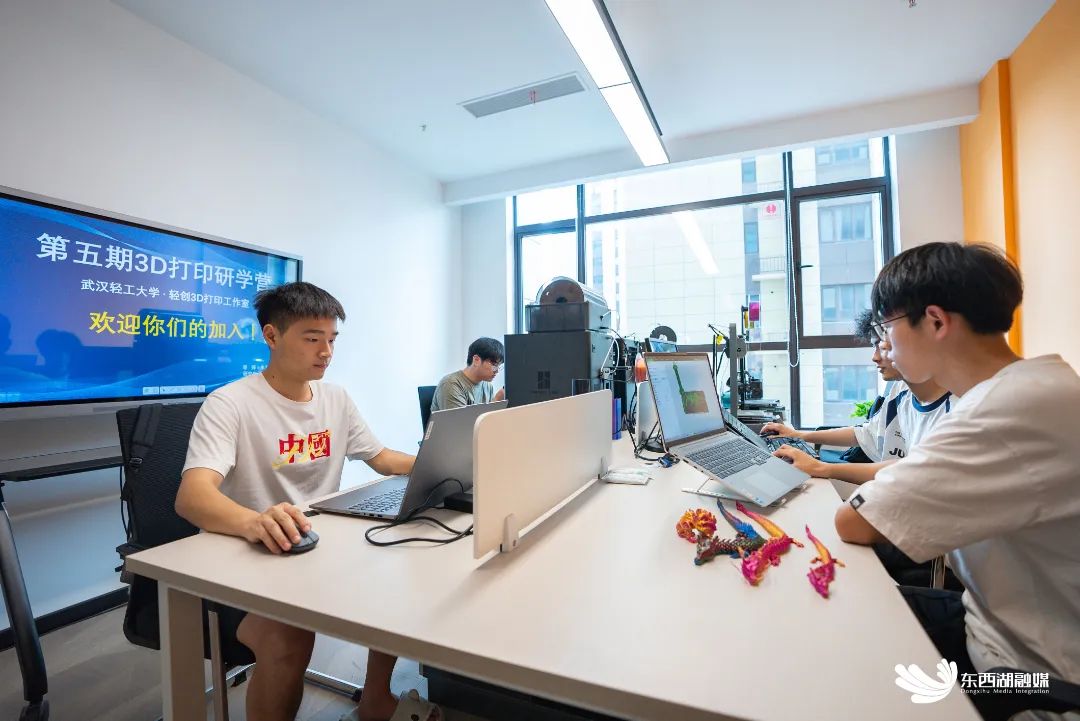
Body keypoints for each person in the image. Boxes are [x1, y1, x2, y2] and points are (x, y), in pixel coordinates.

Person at [834, 242, 1080, 715]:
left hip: (1025, 674)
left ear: (935, 321)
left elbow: (855, 523)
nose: (885, 346)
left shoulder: (999, 414)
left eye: (887, 327)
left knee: (842, 647)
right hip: (993, 622)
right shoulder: (1040, 385)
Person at [175, 282, 437, 721]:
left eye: (332, 339)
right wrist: (256, 521)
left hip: (318, 543)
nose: (326, 352)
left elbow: (381, 458)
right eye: (313, 339)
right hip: (256, 552)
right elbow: (192, 497)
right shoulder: (230, 404)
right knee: (288, 639)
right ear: (271, 335)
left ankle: (375, 700)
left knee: (401, 574)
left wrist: (440, 463)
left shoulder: (335, 398)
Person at [762, 310, 952, 485]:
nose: (875, 357)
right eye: (879, 345)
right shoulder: (901, 391)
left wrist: (821, 468)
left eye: (883, 345)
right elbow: (865, 434)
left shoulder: (954, 412)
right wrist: (798, 435)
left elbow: (912, 471)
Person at [430, 336, 505, 413]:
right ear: (476, 360)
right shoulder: (451, 384)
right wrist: (496, 400)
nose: (497, 371)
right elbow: (459, 419)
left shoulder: (487, 386)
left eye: (499, 366)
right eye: (494, 365)